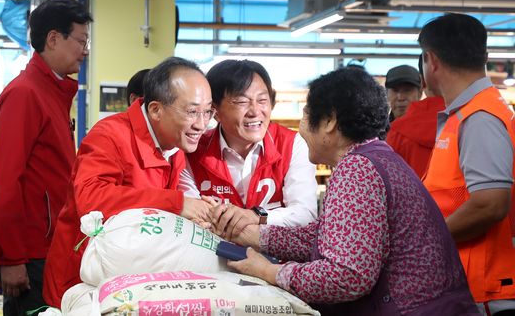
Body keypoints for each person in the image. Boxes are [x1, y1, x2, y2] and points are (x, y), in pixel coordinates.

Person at [223, 67, 479, 315]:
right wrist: (257, 236)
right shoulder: (375, 157)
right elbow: (330, 235)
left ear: (330, 121)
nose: (300, 128)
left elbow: (347, 276)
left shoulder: (357, 169)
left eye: (305, 114)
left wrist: (270, 272)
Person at [43, 57, 216, 307]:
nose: (201, 124)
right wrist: (177, 205)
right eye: (192, 112)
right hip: (84, 281)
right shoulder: (109, 136)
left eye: (207, 111)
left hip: (128, 277)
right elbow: (90, 199)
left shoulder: (174, 145)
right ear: (156, 109)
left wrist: (192, 218)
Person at [0, 0, 92, 315]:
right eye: (81, 41)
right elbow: (4, 183)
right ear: (53, 39)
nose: (85, 50)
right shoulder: (24, 95)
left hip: (47, 244)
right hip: (28, 252)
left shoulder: (51, 92)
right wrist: (11, 258)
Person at [420, 13, 515, 315]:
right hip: (470, 286)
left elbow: (490, 204)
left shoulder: (479, 118)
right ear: (484, 56)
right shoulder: (471, 112)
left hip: (484, 292)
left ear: (431, 61)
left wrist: (427, 241)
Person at [178, 59, 317, 240]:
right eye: (242, 102)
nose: (255, 111)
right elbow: (193, 213)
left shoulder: (292, 144)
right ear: (215, 111)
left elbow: (305, 214)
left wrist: (255, 215)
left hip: (276, 260)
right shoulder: (192, 150)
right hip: (211, 259)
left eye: (262, 100)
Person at [386, 55, 445, 178]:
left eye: (407, 90)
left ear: (420, 90)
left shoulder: (395, 134)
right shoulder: (457, 119)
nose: (400, 97)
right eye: (395, 91)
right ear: (387, 93)